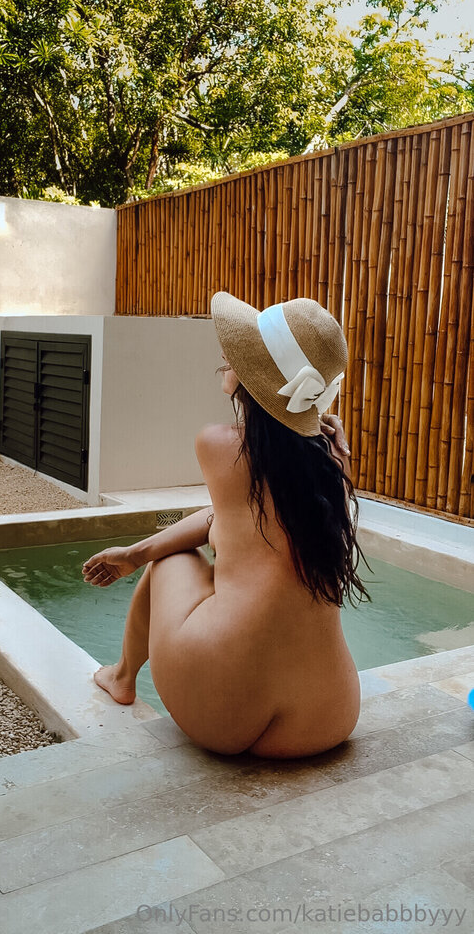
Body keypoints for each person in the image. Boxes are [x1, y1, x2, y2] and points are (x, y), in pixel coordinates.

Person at [82, 292, 371, 758]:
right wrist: (334, 450)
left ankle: (122, 676)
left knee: (173, 558)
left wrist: (139, 555)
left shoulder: (218, 445)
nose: (226, 353)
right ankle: (124, 662)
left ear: (257, 379)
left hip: (222, 710)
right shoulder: (333, 467)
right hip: (327, 717)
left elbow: (222, 519)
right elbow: (233, 519)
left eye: (243, 351)